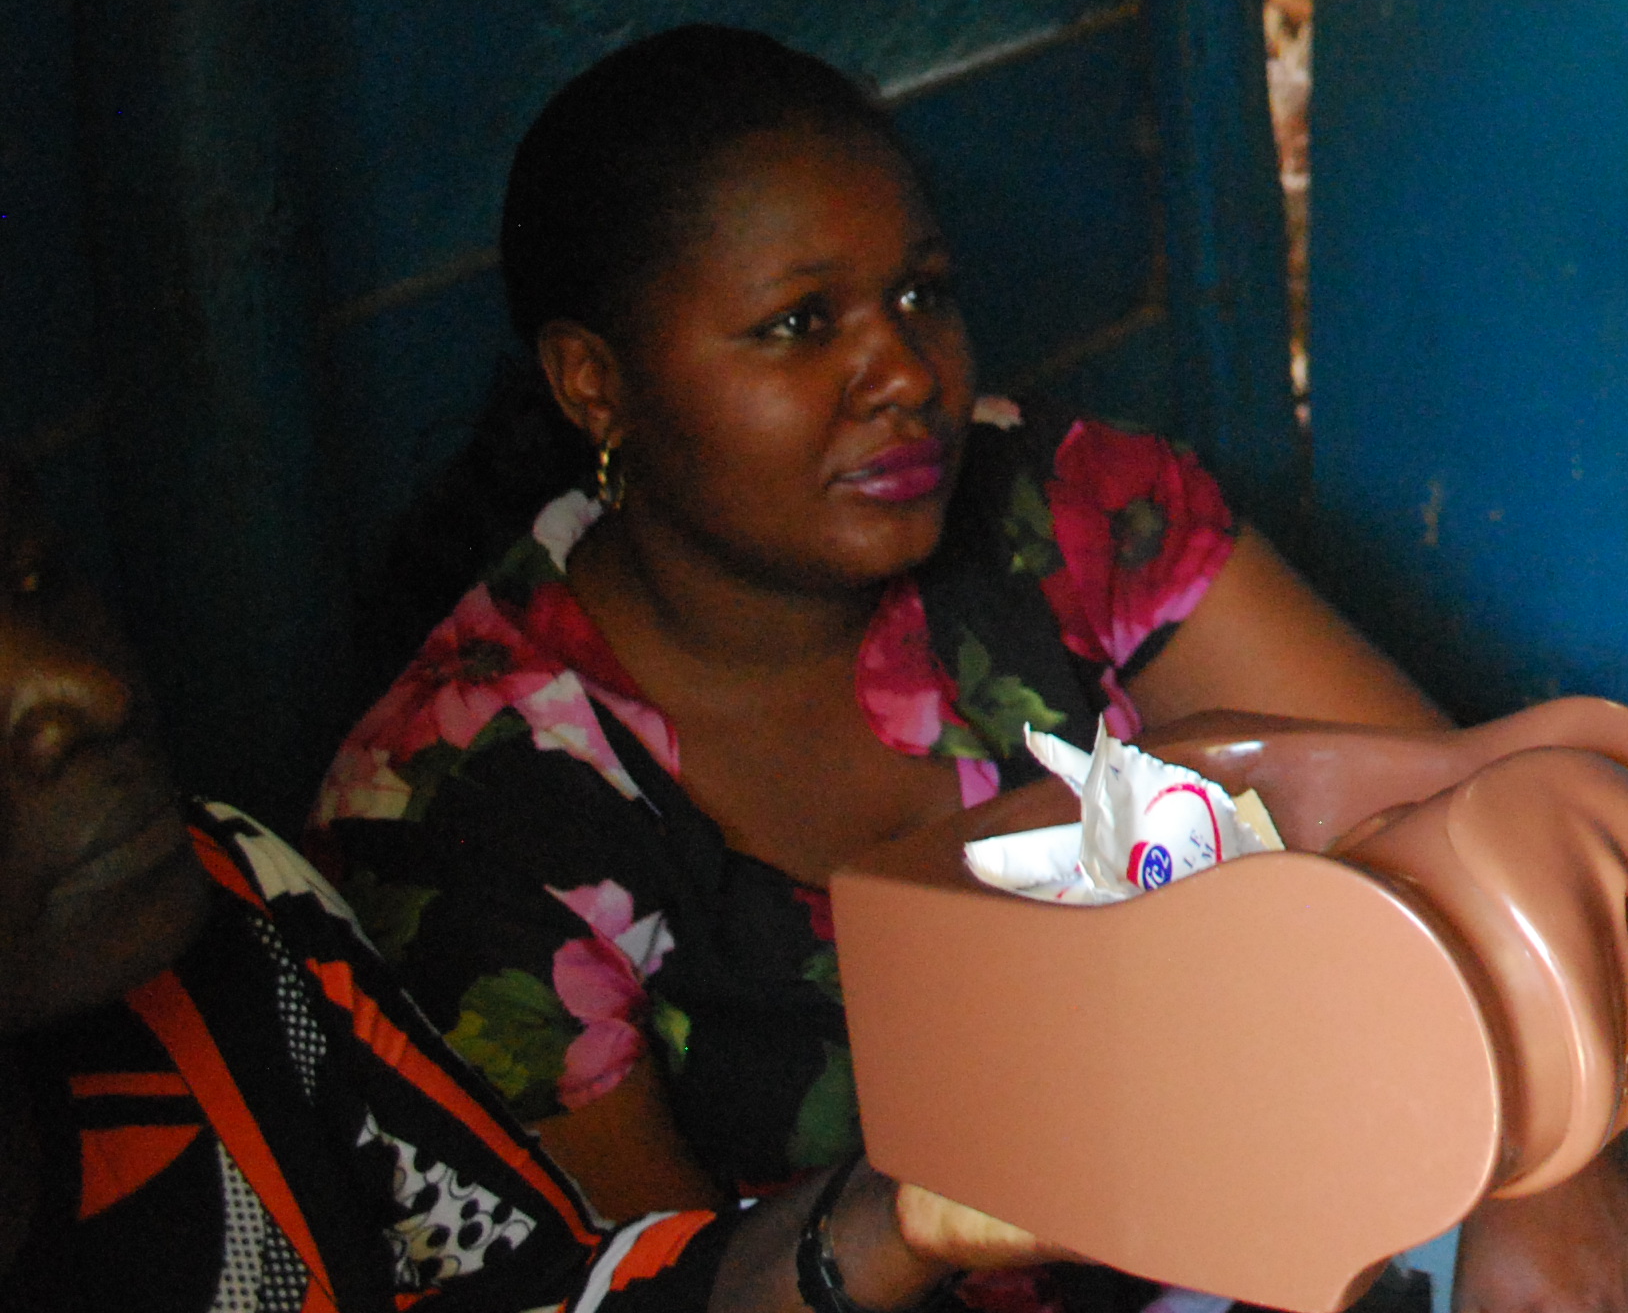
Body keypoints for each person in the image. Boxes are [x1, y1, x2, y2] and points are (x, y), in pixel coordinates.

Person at [314, 28, 1628, 1313]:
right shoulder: (464, 802)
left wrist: (1550, 1174)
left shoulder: (1067, 519)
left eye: (921, 294)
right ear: (594, 386)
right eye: (800, 324)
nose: (903, 370)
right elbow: (661, 1289)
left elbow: (1489, 854)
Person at [0, 443, 1048, 1312]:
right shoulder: (486, 795)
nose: (84, 693)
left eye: (41, 586)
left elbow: (527, 1293)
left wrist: (888, 1213)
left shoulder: (241, 916)